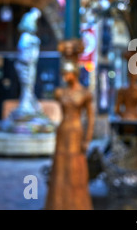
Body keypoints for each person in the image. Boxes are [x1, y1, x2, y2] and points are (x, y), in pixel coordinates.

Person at [45, 40, 95, 210]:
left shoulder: (84, 93)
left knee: (75, 169)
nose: (65, 77)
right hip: (63, 131)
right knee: (61, 168)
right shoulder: (60, 92)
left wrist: (87, 139)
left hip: (76, 132)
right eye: (63, 73)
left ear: (74, 73)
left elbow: (91, 118)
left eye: (67, 73)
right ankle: (59, 204)